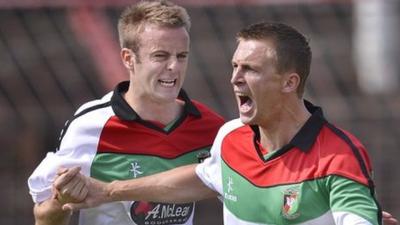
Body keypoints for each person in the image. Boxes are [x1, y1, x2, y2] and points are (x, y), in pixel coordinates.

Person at [57, 22, 399, 225]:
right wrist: (107, 191)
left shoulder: (338, 157)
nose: (235, 78)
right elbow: (203, 178)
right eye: (235, 67)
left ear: (289, 82)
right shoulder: (231, 137)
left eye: (250, 69)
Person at [27, 1, 224, 225]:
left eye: (181, 56)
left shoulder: (211, 127)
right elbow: (44, 217)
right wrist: (61, 200)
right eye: (160, 56)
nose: (174, 67)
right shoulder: (91, 127)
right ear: (129, 59)